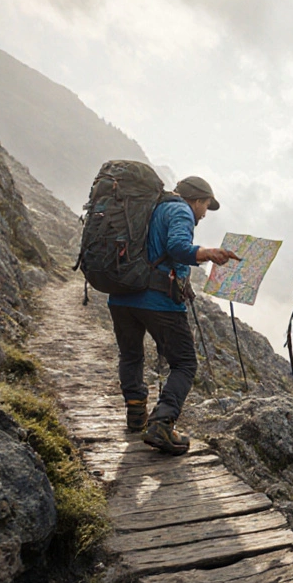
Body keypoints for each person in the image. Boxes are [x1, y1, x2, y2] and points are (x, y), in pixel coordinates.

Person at [108, 175, 239, 455]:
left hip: (121, 296)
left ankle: (135, 415)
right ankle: (162, 423)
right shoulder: (181, 210)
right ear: (196, 200)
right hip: (157, 301)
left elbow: (155, 251)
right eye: (205, 206)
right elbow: (177, 247)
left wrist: (183, 280)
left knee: (131, 354)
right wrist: (208, 253)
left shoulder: (151, 208)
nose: (204, 213)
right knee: (185, 363)